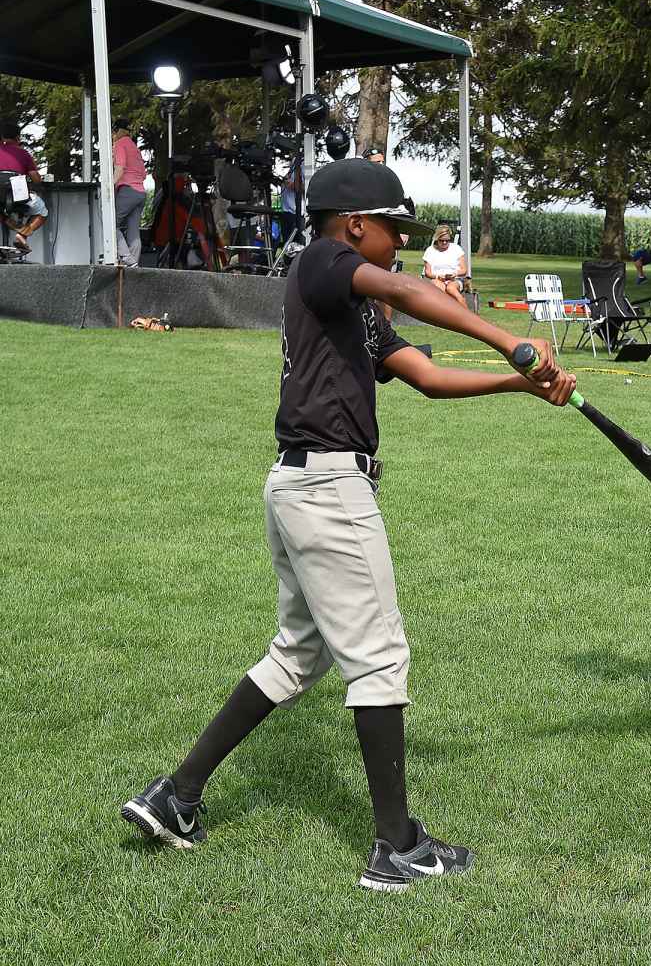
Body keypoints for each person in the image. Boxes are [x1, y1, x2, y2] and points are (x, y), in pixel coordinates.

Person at [120, 158, 574, 893]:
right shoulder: (327, 260)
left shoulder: (351, 303)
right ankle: (397, 847)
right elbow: (401, 285)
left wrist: (521, 384)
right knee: (379, 660)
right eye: (392, 230)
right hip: (330, 485)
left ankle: (175, 796)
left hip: (304, 483)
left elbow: (424, 377)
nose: (398, 244)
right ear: (355, 225)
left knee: (299, 655)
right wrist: (504, 338)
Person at [0, 119, 48, 255]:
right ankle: (22, 235)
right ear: (17, 137)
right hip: (16, 196)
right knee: (42, 211)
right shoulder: (24, 154)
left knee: (3, 212)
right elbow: (36, 179)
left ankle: (17, 228)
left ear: (3, 137)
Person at [112, 120, 148, 267]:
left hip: (128, 190)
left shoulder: (120, 144)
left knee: (110, 225)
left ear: (119, 131)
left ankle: (128, 259)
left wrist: (109, 187)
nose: (113, 135)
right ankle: (134, 267)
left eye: (114, 132)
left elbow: (120, 169)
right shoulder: (134, 147)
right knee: (134, 232)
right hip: (140, 192)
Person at [422, 224, 468, 308]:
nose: (444, 243)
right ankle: (445, 314)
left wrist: (455, 274)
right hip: (437, 279)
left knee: (451, 289)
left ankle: (468, 314)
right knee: (440, 288)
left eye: (447, 240)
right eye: (442, 240)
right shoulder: (430, 250)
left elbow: (464, 270)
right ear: (437, 239)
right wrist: (438, 276)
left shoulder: (456, 249)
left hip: (455, 279)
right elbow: (427, 273)